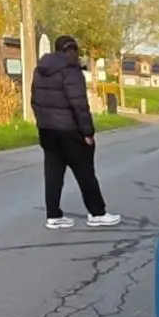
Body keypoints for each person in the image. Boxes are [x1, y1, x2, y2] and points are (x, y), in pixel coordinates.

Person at [32, 35, 118, 229]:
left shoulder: (40, 70)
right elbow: (78, 104)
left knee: (53, 173)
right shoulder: (71, 71)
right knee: (85, 172)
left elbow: (34, 101)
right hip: (69, 130)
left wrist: (42, 122)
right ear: (72, 51)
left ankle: (53, 215)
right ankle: (97, 213)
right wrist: (87, 132)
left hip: (47, 129)